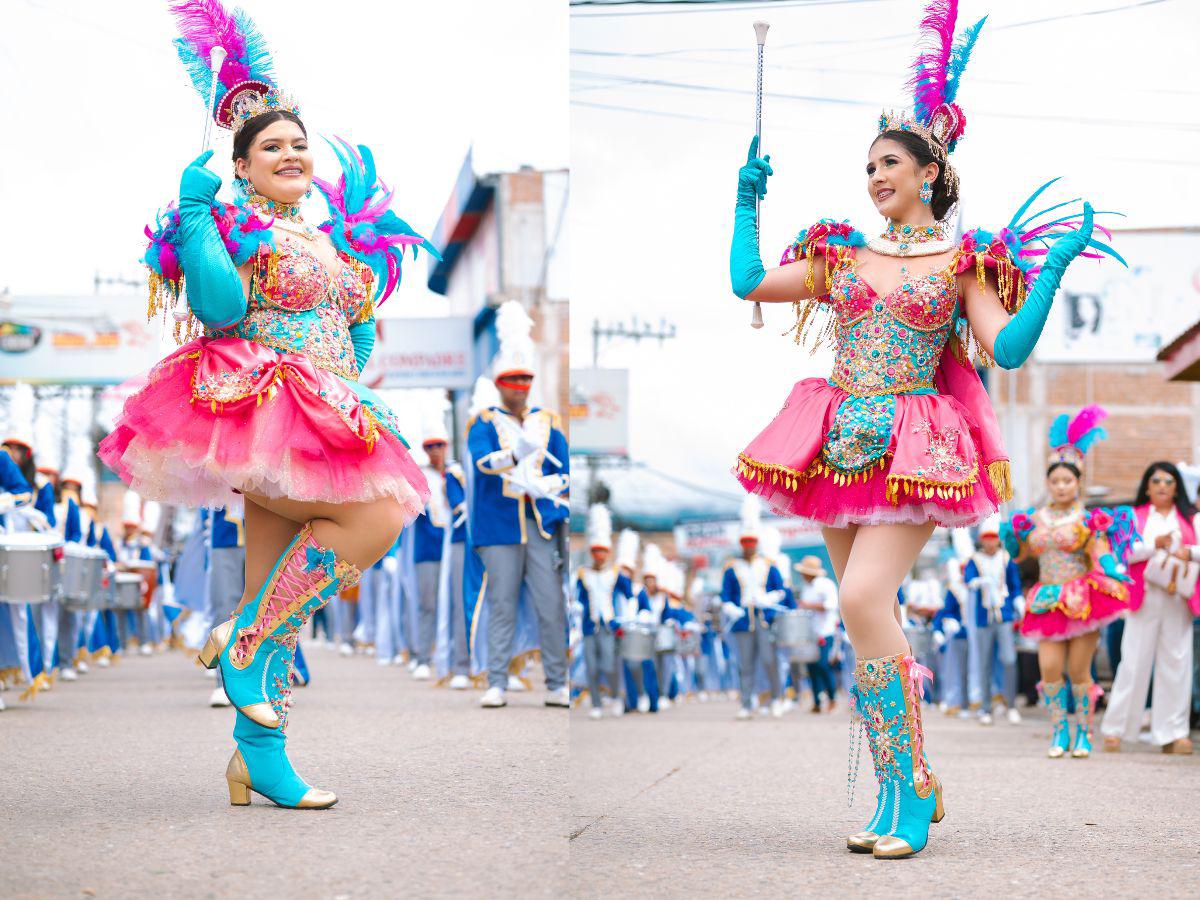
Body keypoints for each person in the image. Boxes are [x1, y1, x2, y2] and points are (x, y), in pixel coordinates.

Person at [727, 0, 1123, 857]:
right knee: (863, 616)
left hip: (915, 444)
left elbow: (1004, 349)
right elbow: (750, 282)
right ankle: (901, 786)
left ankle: (908, 792)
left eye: (890, 164)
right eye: (868, 165)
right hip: (834, 443)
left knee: (865, 598)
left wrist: (1048, 274)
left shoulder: (961, 259)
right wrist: (745, 198)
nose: (874, 177)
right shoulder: (841, 256)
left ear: (928, 172)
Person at [97, 1, 437, 810]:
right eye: (270, 148)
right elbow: (217, 309)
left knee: (279, 596)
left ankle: (259, 757)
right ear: (241, 166)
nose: (291, 154)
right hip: (260, 408)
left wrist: (352, 373)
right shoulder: (233, 223)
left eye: (298, 145)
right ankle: (240, 645)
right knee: (382, 516)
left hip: (331, 416)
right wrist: (192, 215)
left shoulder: (330, 239)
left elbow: (355, 335)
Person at [1002, 406, 1135, 760]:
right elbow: (1023, 555)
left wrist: (1114, 570)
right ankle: (1060, 730)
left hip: (1080, 596)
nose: (1061, 486)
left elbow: (1100, 548)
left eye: (1068, 480)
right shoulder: (1033, 517)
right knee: (1048, 668)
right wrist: (1013, 540)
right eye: (1055, 480)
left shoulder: (1089, 518)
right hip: (1047, 596)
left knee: (1079, 669)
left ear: (1078, 482)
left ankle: (1084, 734)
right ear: (1048, 482)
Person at [467, 302, 570, 710]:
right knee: (503, 604)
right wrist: (514, 457)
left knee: (550, 604)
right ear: (500, 384)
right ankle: (497, 681)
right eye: (512, 380)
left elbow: (567, 469)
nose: (520, 387)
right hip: (500, 527)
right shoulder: (485, 421)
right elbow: (481, 463)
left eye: (526, 379)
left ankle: (557, 683)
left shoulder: (549, 420)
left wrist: (551, 484)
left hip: (541, 522)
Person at [1101, 462, 1198, 755]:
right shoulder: (1134, 516)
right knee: (1133, 662)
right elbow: (1125, 551)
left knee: (1177, 663)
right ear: (1147, 486)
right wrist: (1153, 544)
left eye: (1169, 481)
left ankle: (1173, 733)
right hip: (1144, 596)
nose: (1162, 486)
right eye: (1156, 480)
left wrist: (1188, 551)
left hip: (1177, 598)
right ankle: (1115, 729)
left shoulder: (1191, 519)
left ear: (1177, 487)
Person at [721, 498, 786, 721]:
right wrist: (730, 608)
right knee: (745, 664)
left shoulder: (768, 564)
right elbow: (726, 596)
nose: (748, 545)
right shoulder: (731, 567)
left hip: (764, 618)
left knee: (769, 660)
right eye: (745, 542)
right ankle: (746, 703)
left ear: (756, 542)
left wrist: (768, 598)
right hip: (742, 620)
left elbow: (781, 590)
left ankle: (777, 699)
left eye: (751, 541)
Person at [964, 516, 1023, 726]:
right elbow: (968, 580)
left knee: (1009, 660)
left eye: (993, 538)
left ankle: (1012, 705)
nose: (990, 542)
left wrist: (1019, 602)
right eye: (986, 538)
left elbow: (1015, 585)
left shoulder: (1006, 559)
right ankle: (985, 707)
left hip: (1004, 615)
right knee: (985, 662)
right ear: (982, 539)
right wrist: (978, 582)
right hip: (983, 617)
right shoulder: (975, 559)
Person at [576, 504, 631, 718]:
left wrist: (628, 615)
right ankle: (596, 704)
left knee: (609, 664)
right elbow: (579, 598)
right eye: (595, 550)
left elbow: (630, 595)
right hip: (589, 626)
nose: (599, 555)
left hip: (609, 625)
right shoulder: (583, 574)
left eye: (602, 551)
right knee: (591, 666)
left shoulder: (615, 573)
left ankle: (617, 697)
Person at [794, 556, 839, 713]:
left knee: (823, 665)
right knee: (811, 667)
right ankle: (817, 701)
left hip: (825, 631)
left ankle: (832, 697)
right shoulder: (806, 587)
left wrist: (808, 606)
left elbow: (830, 605)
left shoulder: (826, 585)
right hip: (810, 633)